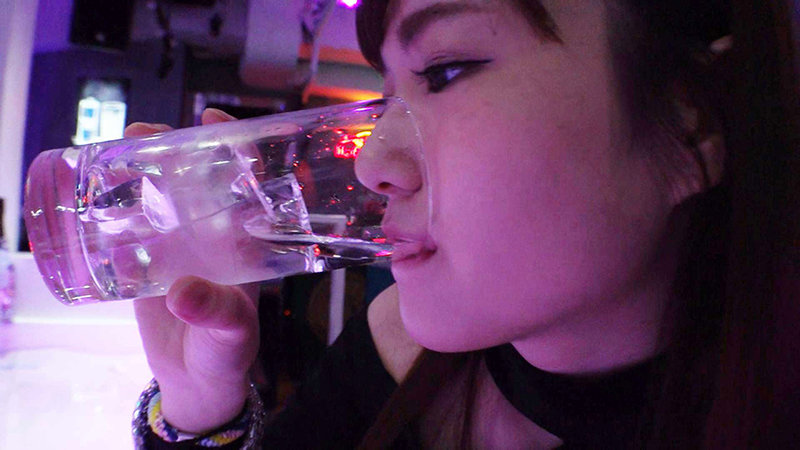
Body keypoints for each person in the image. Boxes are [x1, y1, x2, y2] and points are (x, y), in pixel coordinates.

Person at [127, 0, 800, 448]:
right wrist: (198, 408)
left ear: (689, 123)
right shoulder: (397, 351)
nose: (370, 165)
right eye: (388, 96)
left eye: (446, 72)